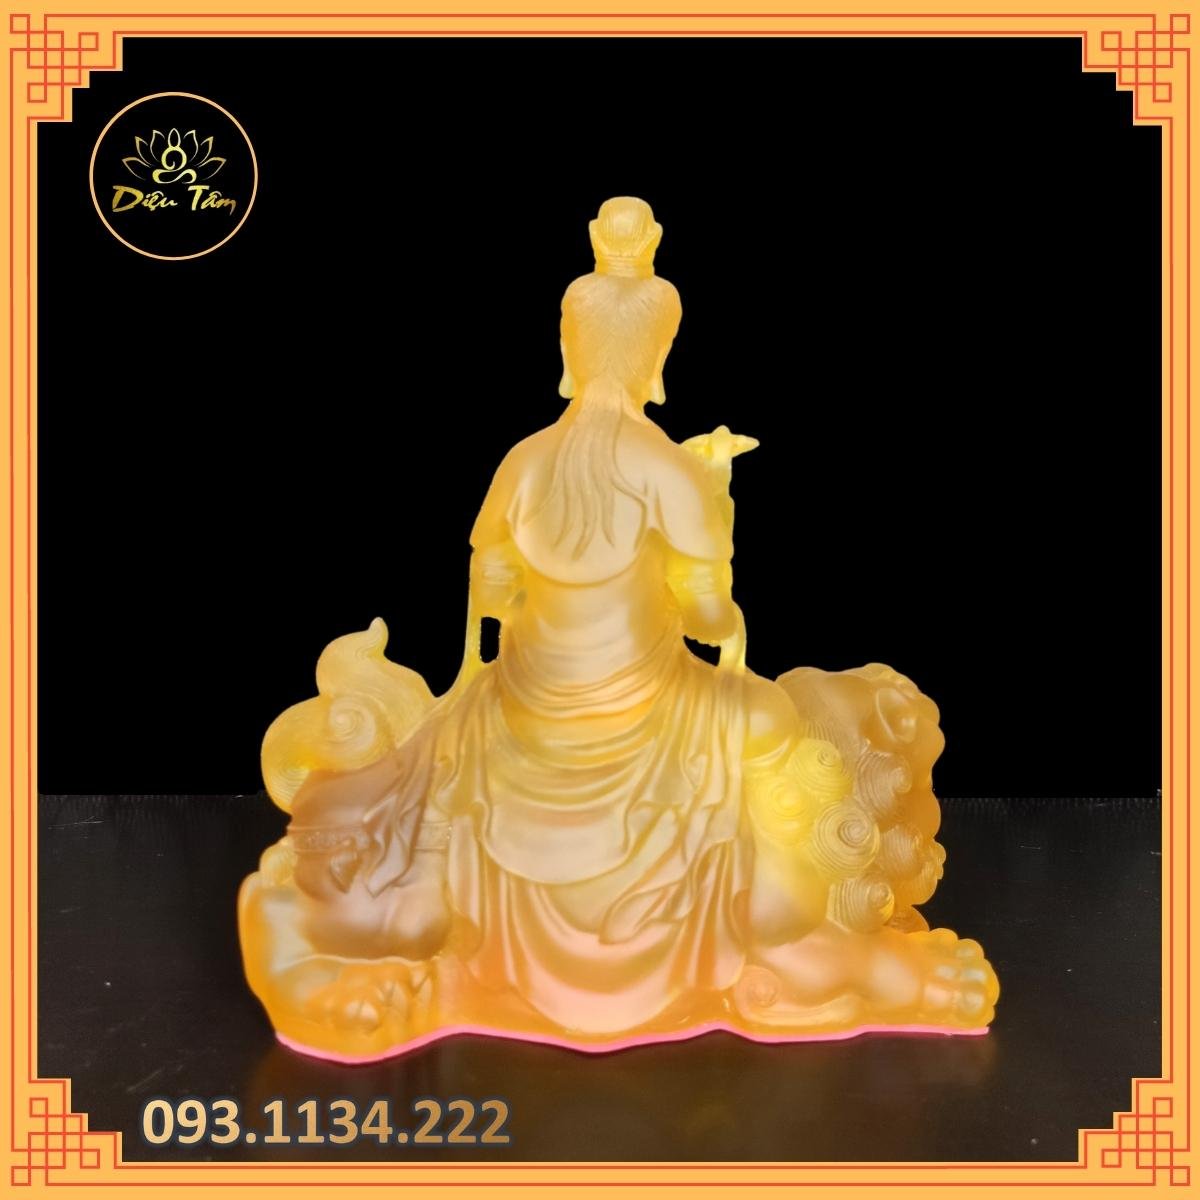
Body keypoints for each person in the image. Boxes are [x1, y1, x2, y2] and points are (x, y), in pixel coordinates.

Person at [240, 197, 998, 1059]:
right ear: (658, 362)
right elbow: (710, 618)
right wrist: (713, 519)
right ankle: (769, 917)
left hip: (525, 704)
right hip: (646, 709)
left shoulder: (524, 462)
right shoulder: (666, 469)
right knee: (768, 718)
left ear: (569, 352)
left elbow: (489, 590)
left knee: (449, 756)